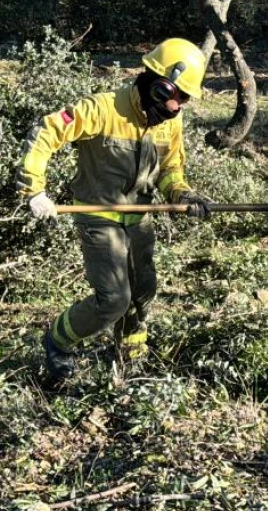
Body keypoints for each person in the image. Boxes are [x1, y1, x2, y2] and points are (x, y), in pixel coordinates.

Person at [16, 38, 211, 381]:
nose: (177, 106)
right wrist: (34, 190)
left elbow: (170, 170)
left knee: (143, 291)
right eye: (174, 94)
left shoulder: (171, 122)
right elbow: (49, 130)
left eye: (186, 99)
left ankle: (130, 357)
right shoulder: (104, 109)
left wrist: (183, 193)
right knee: (114, 299)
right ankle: (58, 341)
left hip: (139, 217)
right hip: (99, 216)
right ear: (156, 83)